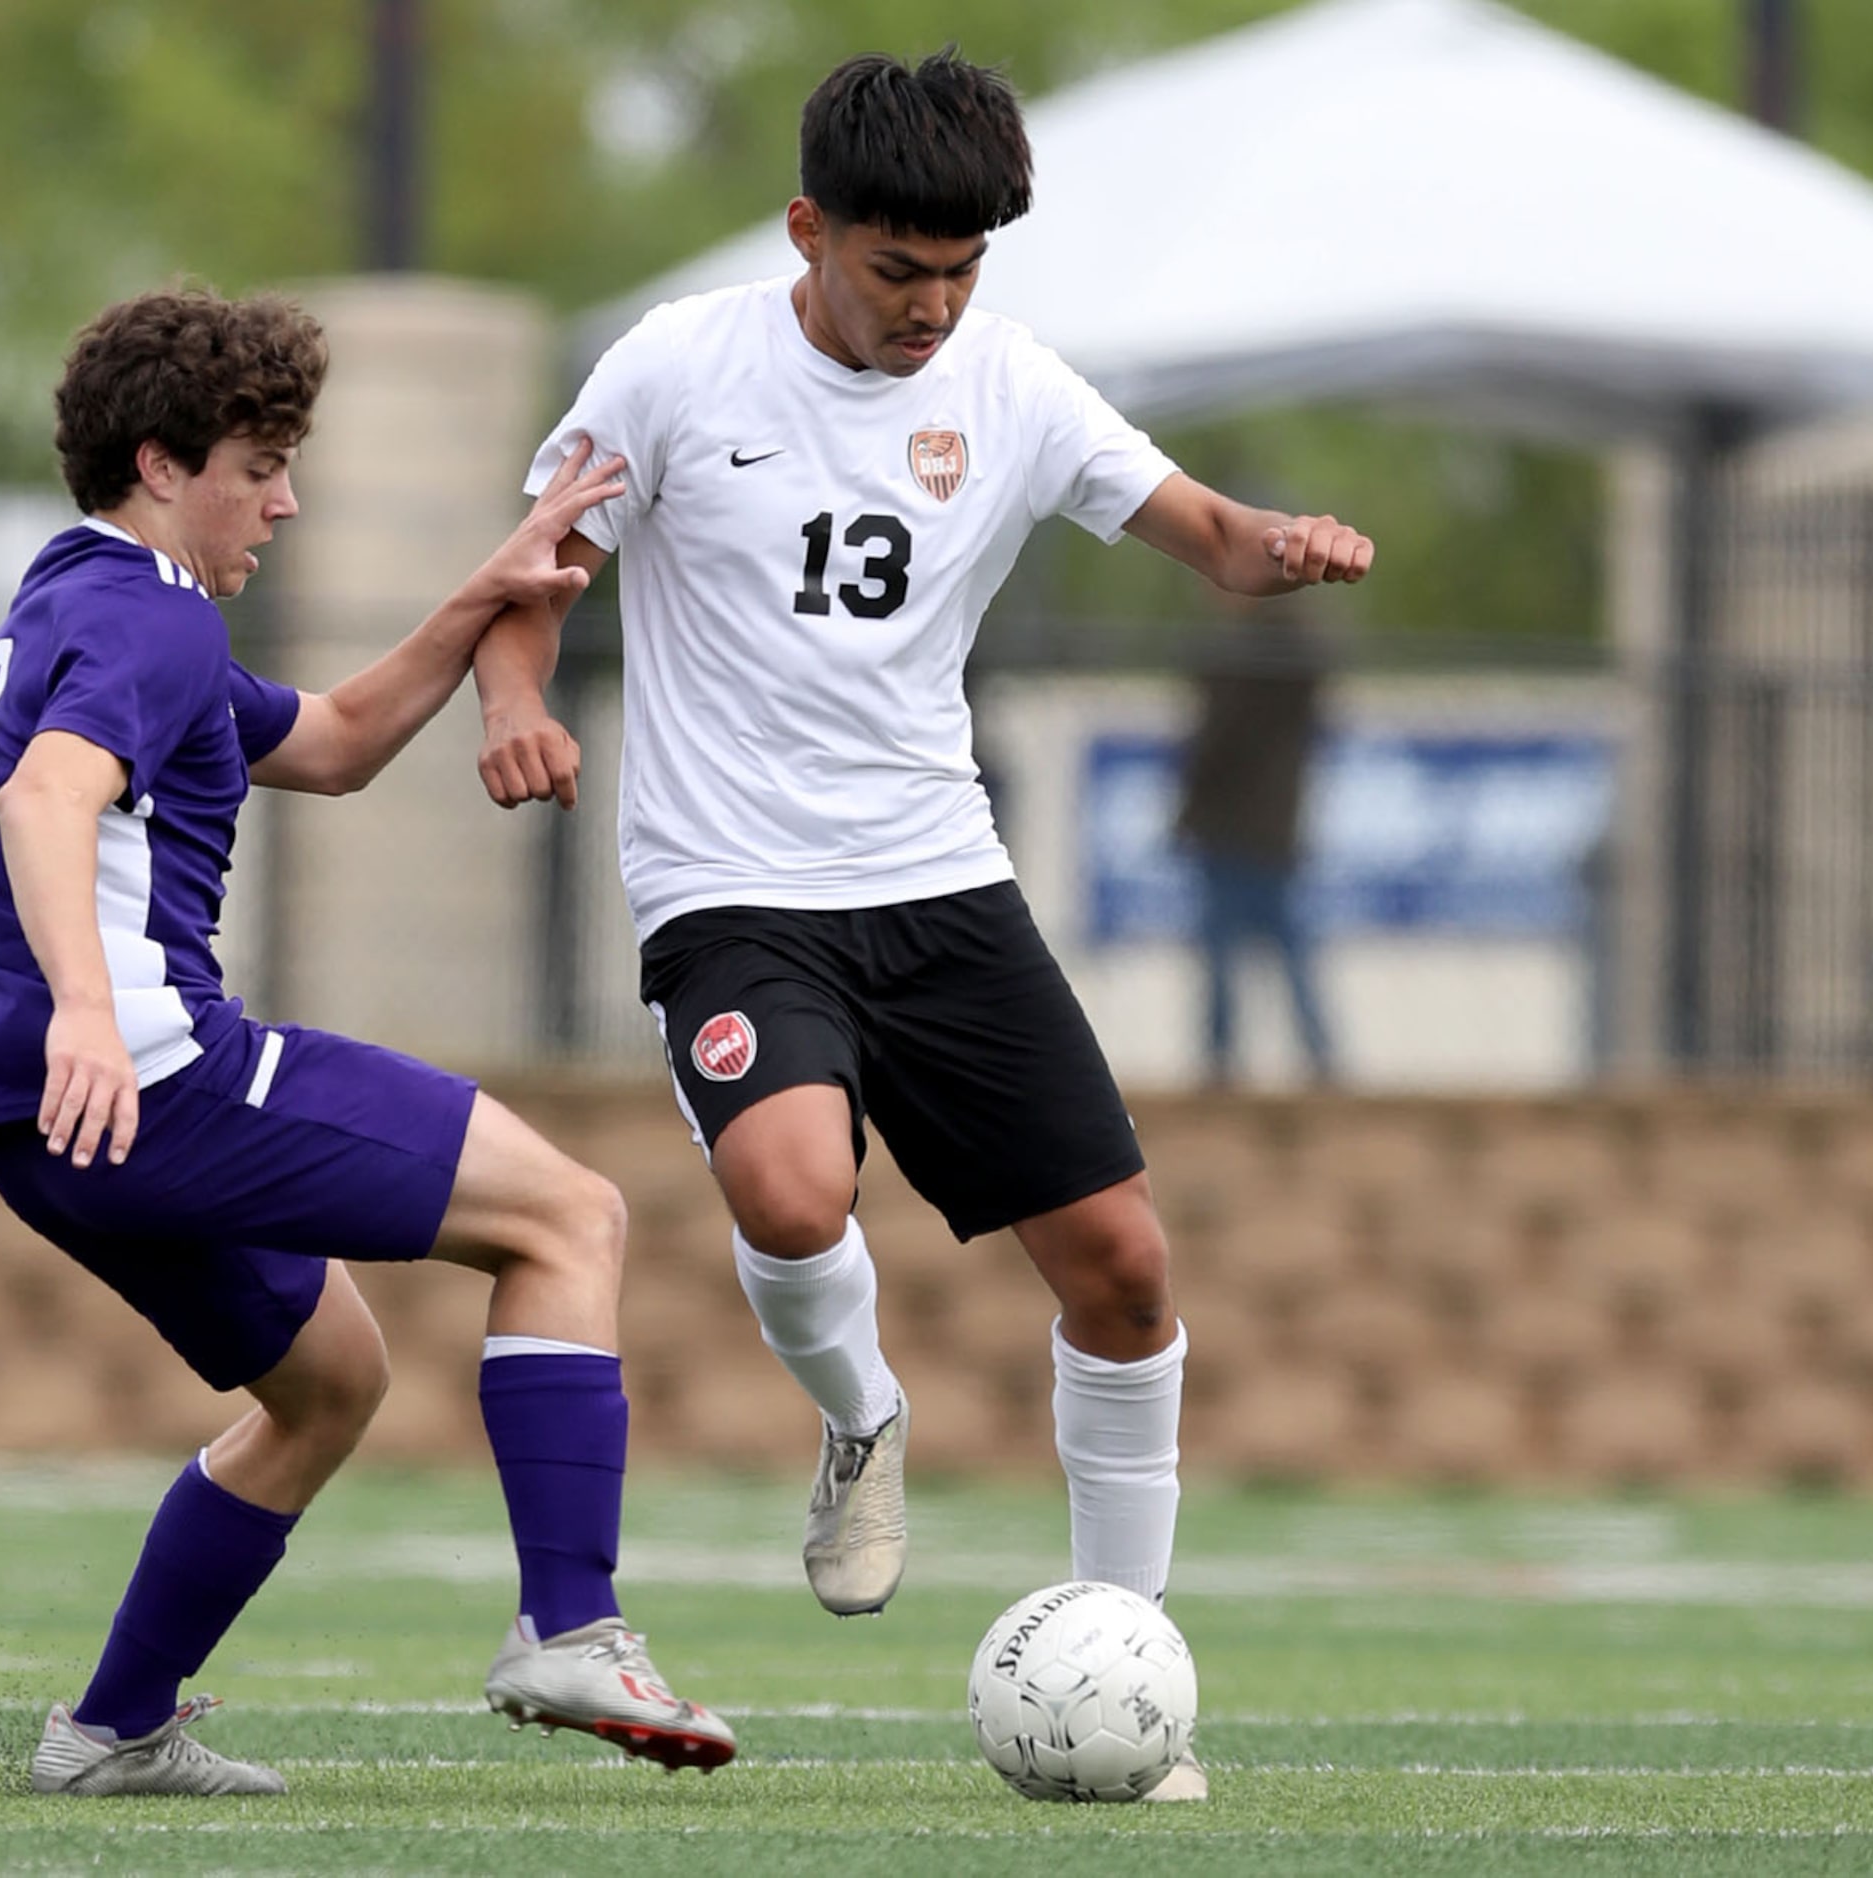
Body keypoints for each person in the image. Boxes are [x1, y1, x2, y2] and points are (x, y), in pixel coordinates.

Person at [468, 50, 1373, 1803]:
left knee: (1121, 1269)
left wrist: (1278, 540)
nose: (931, 306)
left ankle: (1130, 1664)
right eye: (898, 271)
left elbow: (1198, 531)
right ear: (808, 229)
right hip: (731, 888)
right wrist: (517, 697)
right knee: (795, 1188)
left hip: (937, 881)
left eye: (961, 273)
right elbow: (532, 573)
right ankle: (862, 1420)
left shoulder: (1011, 382)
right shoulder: (671, 368)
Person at [0, 287, 732, 1797]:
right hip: (153, 1084)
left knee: (330, 1377)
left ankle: (112, 1730)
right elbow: (45, 799)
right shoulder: (149, 616)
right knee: (570, 1214)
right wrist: (95, 1009)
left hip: (46, 1131)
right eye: (258, 463)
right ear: (162, 463)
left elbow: (340, 741)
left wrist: (485, 590)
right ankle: (571, 1622)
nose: (283, 500)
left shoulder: (83, 594)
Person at [1177, 611, 1338, 1085]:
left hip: (1233, 826)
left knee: (1227, 951)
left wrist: (1189, 807)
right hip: (1272, 827)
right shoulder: (1297, 659)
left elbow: (1216, 744)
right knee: (1285, 950)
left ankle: (1222, 1062)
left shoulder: (1245, 658)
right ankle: (1319, 1059)